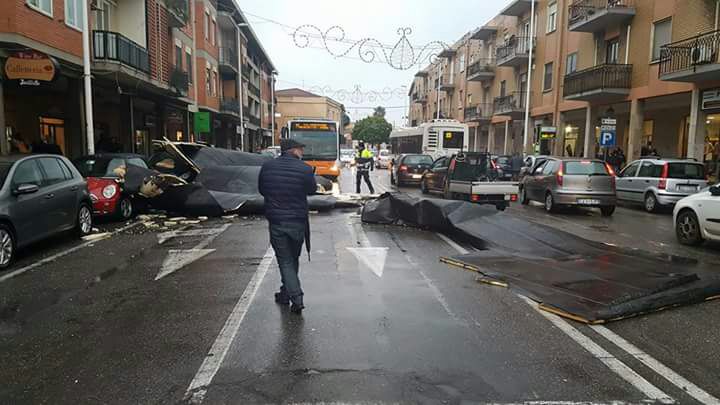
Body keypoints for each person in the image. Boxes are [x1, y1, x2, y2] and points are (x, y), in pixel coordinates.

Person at [258, 138, 317, 314]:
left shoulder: (267, 167)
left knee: (285, 260)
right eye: (300, 149)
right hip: (297, 221)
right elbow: (312, 190)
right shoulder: (305, 169)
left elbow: (262, 190)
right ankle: (296, 298)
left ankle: (286, 293)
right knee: (292, 259)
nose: (302, 152)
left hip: (276, 221)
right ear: (293, 150)